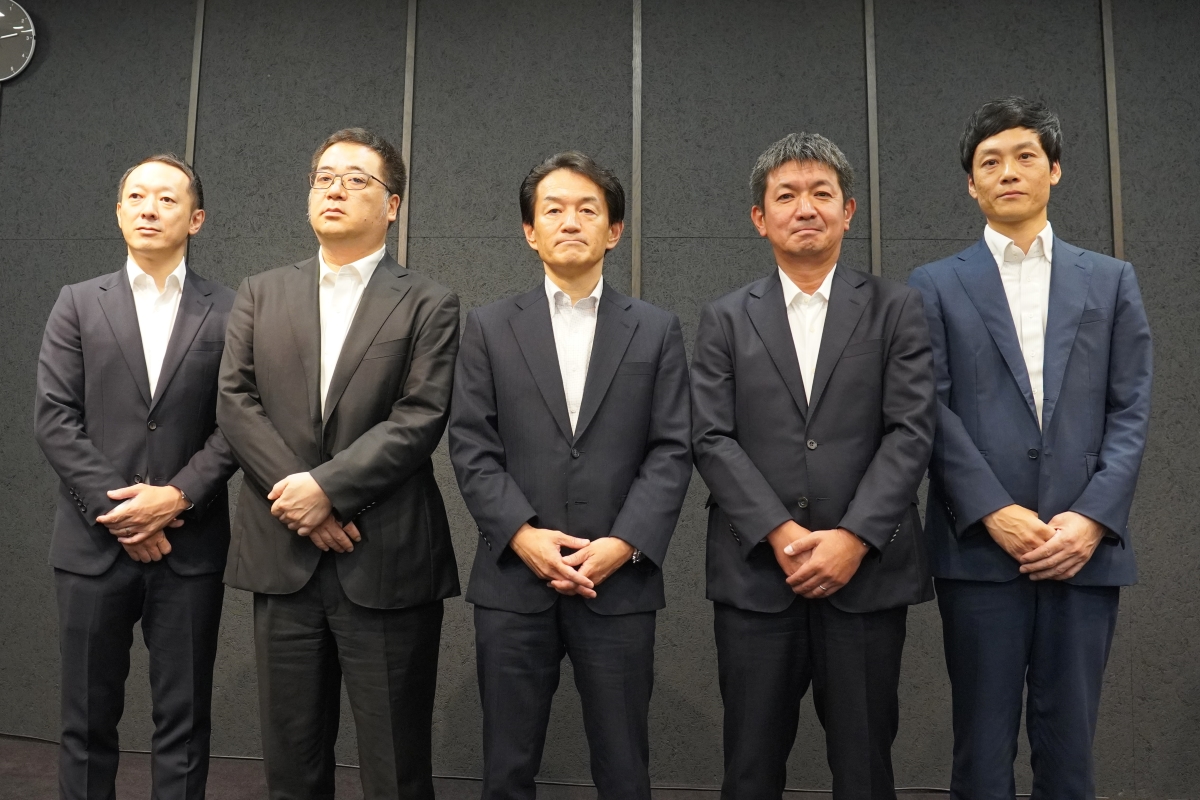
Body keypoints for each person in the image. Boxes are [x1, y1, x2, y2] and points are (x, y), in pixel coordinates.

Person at [908, 97, 1153, 800]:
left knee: (1071, 750)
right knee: (981, 752)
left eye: (1024, 157)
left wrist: (1092, 519)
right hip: (981, 551)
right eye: (990, 162)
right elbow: (929, 409)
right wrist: (994, 511)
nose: (1008, 172)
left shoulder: (1111, 280)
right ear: (971, 184)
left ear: (1055, 169)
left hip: (1084, 549)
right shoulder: (934, 284)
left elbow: (1131, 408)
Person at [216, 128, 460, 800]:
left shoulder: (429, 301)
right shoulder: (261, 291)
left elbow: (420, 416)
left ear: (392, 205)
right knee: (291, 765)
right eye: (324, 177)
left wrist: (327, 490)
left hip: (386, 556)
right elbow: (235, 402)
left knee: (395, 766)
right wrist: (302, 500)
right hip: (283, 556)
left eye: (356, 179)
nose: (335, 189)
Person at [691, 133, 936, 800]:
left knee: (865, 770)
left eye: (822, 193)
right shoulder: (724, 318)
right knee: (749, 769)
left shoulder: (896, 309)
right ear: (759, 217)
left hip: (866, 575)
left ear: (848, 211)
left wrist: (853, 539)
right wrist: (781, 533)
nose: (806, 208)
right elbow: (710, 437)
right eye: (787, 195)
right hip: (756, 575)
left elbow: (911, 431)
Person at [449, 151, 692, 800]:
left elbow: (672, 450)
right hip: (513, 578)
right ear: (530, 232)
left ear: (614, 230)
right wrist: (522, 535)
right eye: (553, 210)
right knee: (506, 769)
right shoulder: (489, 327)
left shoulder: (656, 330)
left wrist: (625, 543)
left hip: (619, 579)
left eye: (588, 209)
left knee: (624, 769)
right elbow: (471, 445)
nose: (571, 221)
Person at [34, 154, 238, 800]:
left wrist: (175, 499)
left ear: (196, 219)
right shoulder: (77, 303)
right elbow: (54, 420)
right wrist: (124, 512)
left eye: (168, 199)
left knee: (184, 724)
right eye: (137, 197)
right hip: (92, 545)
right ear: (119, 212)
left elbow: (238, 425)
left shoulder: (232, 310)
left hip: (189, 545)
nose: (150, 209)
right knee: (85, 722)